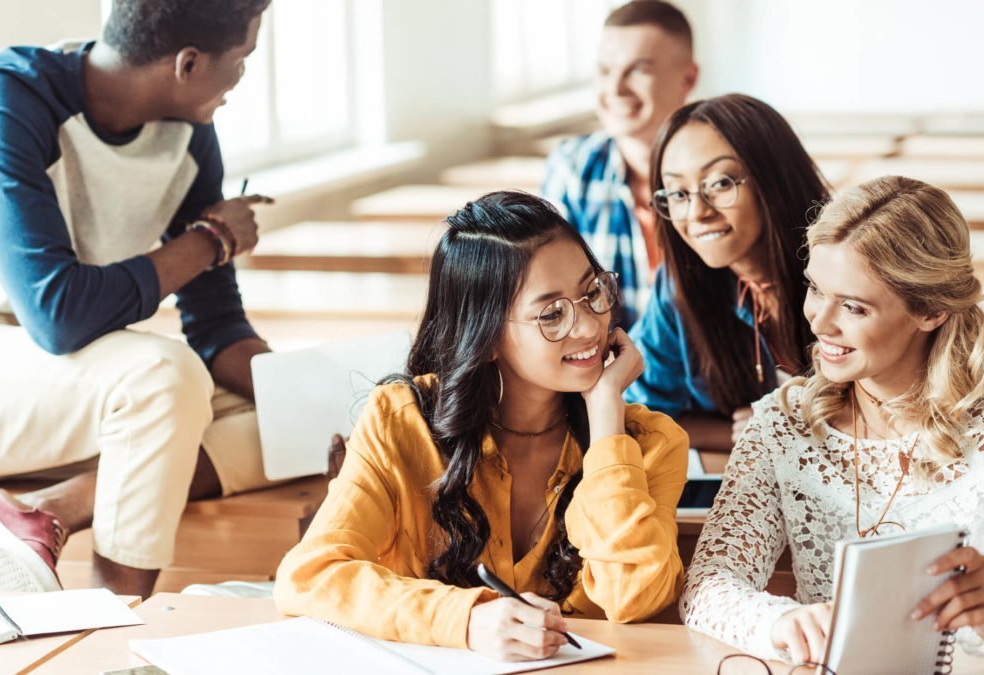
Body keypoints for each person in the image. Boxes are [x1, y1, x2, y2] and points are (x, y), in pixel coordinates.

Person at [274, 191, 687, 661]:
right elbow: (310, 575)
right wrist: (467, 620)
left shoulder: (648, 443)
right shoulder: (402, 420)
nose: (590, 327)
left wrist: (607, 421)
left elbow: (634, 599)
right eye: (552, 314)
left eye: (592, 292)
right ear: (485, 335)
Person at [681, 175, 984, 666]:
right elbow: (708, 586)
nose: (819, 322)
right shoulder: (781, 425)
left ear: (930, 310)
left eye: (854, 307)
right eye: (816, 289)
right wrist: (777, 621)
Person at [0, 0, 277, 598]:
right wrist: (211, 239)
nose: (242, 79)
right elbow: (58, 316)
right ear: (188, 64)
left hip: (76, 382)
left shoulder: (191, 136)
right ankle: (113, 626)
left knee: (291, 427)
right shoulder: (12, 96)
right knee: (164, 377)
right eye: (241, 60)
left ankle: (50, 507)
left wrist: (312, 391)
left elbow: (216, 325)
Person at [625, 94, 831, 456]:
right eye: (677, 192)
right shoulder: (678, 288)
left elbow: (900, 411)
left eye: (720, 183)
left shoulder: (852, 270)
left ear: (773, 177)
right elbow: (635, 414)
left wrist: (791, 423)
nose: (697, 212)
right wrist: (748, 432)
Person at [542, 0, 698, 329]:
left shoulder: (724, 170)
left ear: (688, 78)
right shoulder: (573, 168)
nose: (615, 88)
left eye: (638, 70)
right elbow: (552, 295)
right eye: (605, 70)